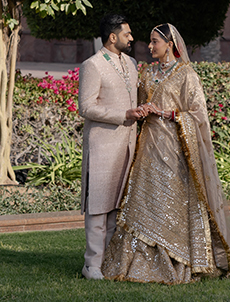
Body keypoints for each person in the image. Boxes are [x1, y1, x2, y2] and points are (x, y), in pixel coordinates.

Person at [102, 23, 230, 283]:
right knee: (144, 200)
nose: (151, 46)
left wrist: (170, 114)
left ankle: (178, 261)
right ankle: (136, 264)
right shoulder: (146, 72)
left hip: (175, 147)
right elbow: (138, 103)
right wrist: (143, 110)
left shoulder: (186, 74)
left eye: (155, 41)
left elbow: (199, 114)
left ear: (170, 44)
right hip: (148, 146)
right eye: (150, 41)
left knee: (171, 201)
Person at [77, 14, 148, 280]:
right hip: (103, 145)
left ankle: (108, 262)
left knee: (116, 208)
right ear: (112, 37)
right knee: (98, 208)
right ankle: (91, 265)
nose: (131, 38)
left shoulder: (130, 62)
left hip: (128, 145)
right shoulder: (92, 65)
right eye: (127, 34)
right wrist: (123, 115)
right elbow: (86, 107)